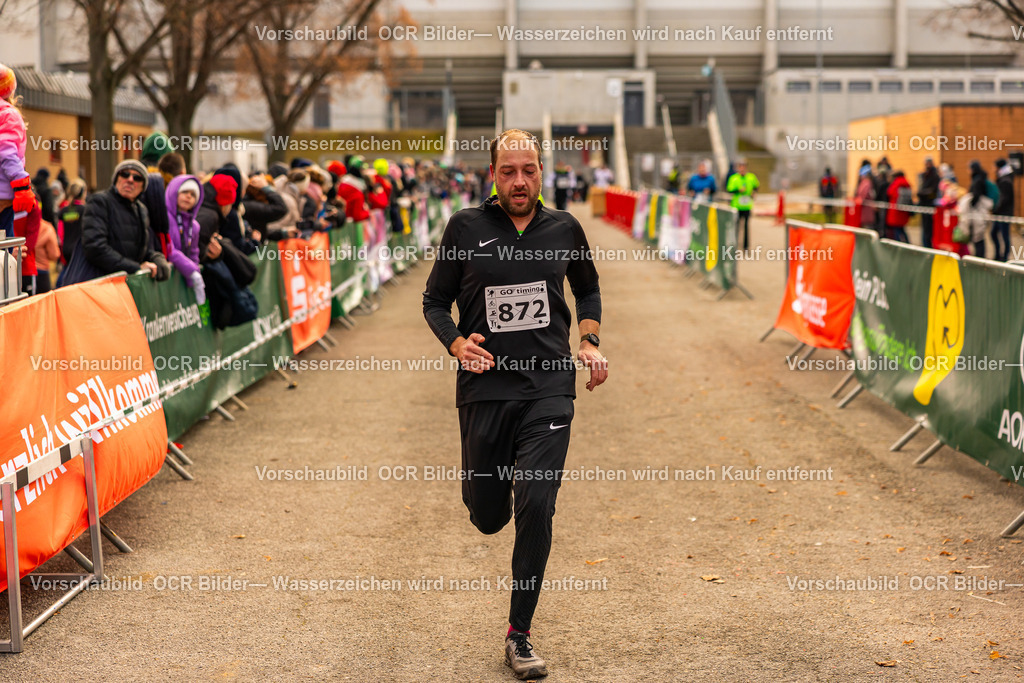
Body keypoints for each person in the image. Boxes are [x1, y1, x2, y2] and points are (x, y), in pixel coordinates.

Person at [422, 128, 607, 681]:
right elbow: (434, 300)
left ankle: (519, 634)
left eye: (528, 170)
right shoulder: (465, 228)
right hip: (485, 391)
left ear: (542, 172)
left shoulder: (564, 229)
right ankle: (482, 493)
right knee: (488, 516)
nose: (519, 181)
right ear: (492, 173)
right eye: (508, 171)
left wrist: (589, 339)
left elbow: (588, 290)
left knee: (537, 501)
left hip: (549, 388)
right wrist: (457, 343)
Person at [60, 159, 171, 285]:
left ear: (142, 187)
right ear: (116, 178)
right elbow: (95, 248)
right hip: (97, 285)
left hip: (123, 286)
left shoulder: (142, 210)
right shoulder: (100, 201)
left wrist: (157, 259)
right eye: (124, 174)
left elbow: (141, 249)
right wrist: (136, 268)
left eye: (137, 178)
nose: (130, 179)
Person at [0, 64, 32, 244]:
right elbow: (7, 153)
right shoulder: (8, 115)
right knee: (5, 255)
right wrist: (22, 186)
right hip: (3, 192)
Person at [165, 175, 206, 303]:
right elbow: (168, 248)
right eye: (184, 192)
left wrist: (192, 283)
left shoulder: (194, 226)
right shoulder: (165, 217)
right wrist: (192, 271)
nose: (188, 196)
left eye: (193, 195)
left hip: (182, 281)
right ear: (174, 193)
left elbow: (193, 253)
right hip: (166, 281)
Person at [726, 157, 759, 250]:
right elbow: (729, 189)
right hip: (736, 205)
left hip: (747, 205)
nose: (742, 169)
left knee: (746, 226)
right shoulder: (734, 178)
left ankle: (745, 246)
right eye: (740, 167)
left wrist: (754, 192)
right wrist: (738, 190)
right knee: (736, 227)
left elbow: (756, 186)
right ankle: (735, 245)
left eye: (743, 167)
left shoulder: (751, 177)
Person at [57, 179, 87, 264]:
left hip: (66, 249)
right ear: (83, 193)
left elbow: (60, 233)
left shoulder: (63, 211)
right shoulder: (84, 210)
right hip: (80, 250)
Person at [992, 159, 1015, 262]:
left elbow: (1004, 198)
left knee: (1005, 235)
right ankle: (998, 254)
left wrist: (996, 209)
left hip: (1003, 213)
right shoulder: (1003, 179)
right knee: (993, 233)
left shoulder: (1005, 181)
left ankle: (1004, 257)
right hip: (1000, 213)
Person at [917, 157, 940, 249]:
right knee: (924, 227)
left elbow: (932, 191)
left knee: (929, 228)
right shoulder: (924, 175)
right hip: (924, 204)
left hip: (929, 205)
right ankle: (925, 245)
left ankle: (928, 245)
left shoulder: (934, 176)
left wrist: (921, 193)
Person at [884, 170, 912, 243]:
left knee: (897, 230)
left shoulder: (896, 184)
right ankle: (907, 243)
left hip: (895, 211)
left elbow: (889, 192)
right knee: (902, 229)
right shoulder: (906, 184)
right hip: (903, 211)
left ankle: (898, 244)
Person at [855, 164, 876, 231]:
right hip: (864, 210)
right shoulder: (866, 183)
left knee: (867, 228)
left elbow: (864, 195)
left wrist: (859, 201)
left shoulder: (866, 183)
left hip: (866, 210)